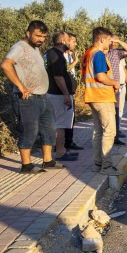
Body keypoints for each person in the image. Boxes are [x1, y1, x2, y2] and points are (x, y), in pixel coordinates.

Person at [1, 21, 64, 173]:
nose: (41, 39)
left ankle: (48, 161)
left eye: (43, 36)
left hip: (42, 97)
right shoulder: (19, 47)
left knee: (49, 129)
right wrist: (21, 86)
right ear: (28, 33)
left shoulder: (35, 48)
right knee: (30, 131)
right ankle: (26, 165)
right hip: (27, 99)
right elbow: (5, 65)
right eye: (37, 36)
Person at [82, 27, 122, 176]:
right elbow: (101, 76)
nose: (111, 44)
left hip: (92, 96)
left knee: (98, 131)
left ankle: (98, 164)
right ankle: (106, 166)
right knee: (109, 131)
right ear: (102, 39)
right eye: (110, 41)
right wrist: (114, 83)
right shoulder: (98, 54)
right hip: (102, 97)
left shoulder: (88, 53)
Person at [44, 31, 78, 161]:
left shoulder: (50, 53)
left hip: (53, 94)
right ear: (63, 41)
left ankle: (62, 150)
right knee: (60, 125)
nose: (71, 42)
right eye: (69, 40)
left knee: (58, 124)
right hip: (58, 95)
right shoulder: (56, 54)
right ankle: (60, 152)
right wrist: (66, 95)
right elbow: (58, 77)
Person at [106, 35, 127, 145]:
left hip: (117, 87)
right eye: (112, 41)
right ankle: (107, 137)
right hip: (106, 87)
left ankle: (115, 137)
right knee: (107, 114)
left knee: (117, 112)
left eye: (115, 42)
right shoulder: (103, 53)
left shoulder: (117, 53)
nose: (114, 44)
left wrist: (119, 41)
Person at [64, 32, 83, 151]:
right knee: (64, 120)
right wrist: (75, 62)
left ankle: (68, 142)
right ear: (66, 41)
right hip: (63, 93)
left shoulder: (69, 55)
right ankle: (63, 144)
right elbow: (64, 69)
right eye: (74, 41)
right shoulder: (60, 55)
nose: (75, 44)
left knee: (71, 118)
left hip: (70, 92)